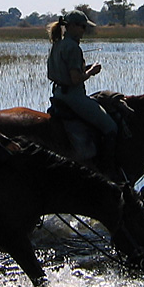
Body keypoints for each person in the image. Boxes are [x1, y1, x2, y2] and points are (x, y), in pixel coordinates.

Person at [46, 9, 118, 169]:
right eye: (83, 27)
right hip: (73, 97)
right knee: (111, 127)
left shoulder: (57, 44)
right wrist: (91, 71)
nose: (84, 31)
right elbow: (75, 79)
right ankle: (107, 168)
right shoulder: (73, 47)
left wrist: (84, 68)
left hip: (58, 94)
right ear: (72, 27)